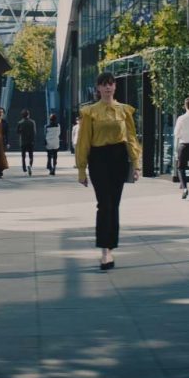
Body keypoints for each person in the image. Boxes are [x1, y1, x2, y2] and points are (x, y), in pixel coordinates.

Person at [76, 72, 141, 270]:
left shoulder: (124, 111)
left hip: (119, 158)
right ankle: (105, 251)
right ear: (98, 88)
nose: (107, 88)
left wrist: (136, 163)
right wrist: (81, 169)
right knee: (104, 204)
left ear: (115, 87)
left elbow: (131, 137)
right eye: (104, 84)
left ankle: (110, 248)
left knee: (114, 205)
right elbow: (83, 141)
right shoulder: (90, 112)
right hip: (98, 159)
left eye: (110, 84)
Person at [17, 109, 37, 175]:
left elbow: (18, 132)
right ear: (28, 115)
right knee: (31, 156)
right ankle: (30, 166)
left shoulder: (20, 123)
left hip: (23, 141)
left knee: (23, 156)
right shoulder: (32, 122)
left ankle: (24, 167)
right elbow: (34, 132)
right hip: (30, 141)